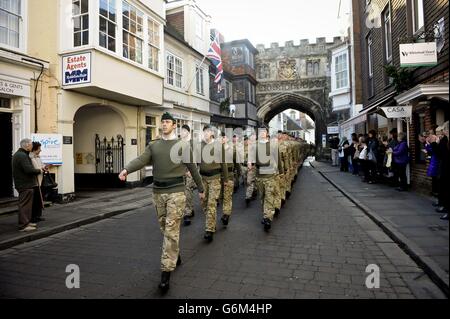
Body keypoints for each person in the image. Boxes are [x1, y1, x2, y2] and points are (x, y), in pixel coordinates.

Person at [118, 112, 205, 293]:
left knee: (171, 230)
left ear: (174, 125)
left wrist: (201, 189)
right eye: (163, 122)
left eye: (168, 122)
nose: (164, 124)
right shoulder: (154, 145)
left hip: (176, 193)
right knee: (165, 229)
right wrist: (126, 169)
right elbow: (142, 160)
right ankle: (175, 254)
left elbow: (192, 168)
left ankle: (165, 274)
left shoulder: (182, 146)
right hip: (158, 192)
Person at [198, 125, 230, 242]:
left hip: (215, 178)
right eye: (204, 132)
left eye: (207, 131)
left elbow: (224, 164)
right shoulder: (200, 146)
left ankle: (209, 230)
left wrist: (225, 179)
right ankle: (211, 222)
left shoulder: (218, 146)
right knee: (204, 203)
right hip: (203, 178)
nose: (205, 133)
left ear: (212, 133)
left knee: (211, 203)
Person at [250, 125, 282, 232]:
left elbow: (278, 159)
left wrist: (281, 172)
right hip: (259, 175)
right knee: (262, 197)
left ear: (267, 133)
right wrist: (250, 163)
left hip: (270, 175)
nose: (262, 133)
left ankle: (268, 218)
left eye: (264, 132)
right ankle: (266, 214)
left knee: (269, 197)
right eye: (260, 132)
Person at [12, 138, 44, 231]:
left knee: (27, 205)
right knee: (25, 205)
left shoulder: (20, 154)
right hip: (25, 184)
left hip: (24, 183)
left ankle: (26, 222)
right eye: (30, 145)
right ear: (26, 145)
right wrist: (39, 170)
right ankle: (23, 225)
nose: (31, 146)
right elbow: (28, 170)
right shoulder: (22, 155)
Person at [180, 124, 197, 226]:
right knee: (182, 193)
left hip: (189, 171)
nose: (181, 132)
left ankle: (187, 213)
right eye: (181, 131)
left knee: (188, 190)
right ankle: (189, 209)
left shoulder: (193, 143)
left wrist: (191, 170)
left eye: (183, 131)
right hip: (180, 171)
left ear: (188, 132)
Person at [29, 142, 48, 223]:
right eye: (39, 148)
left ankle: (38, 215)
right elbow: (36, 168)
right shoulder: (31, 157)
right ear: (35, 149)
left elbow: (41, 165)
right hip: (35, 182)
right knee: (35, 200)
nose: (40, 150)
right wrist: (42, 168)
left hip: (40, 180)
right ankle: (33, 217)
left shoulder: (37, 157)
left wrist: (45, 167)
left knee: (39, 199)